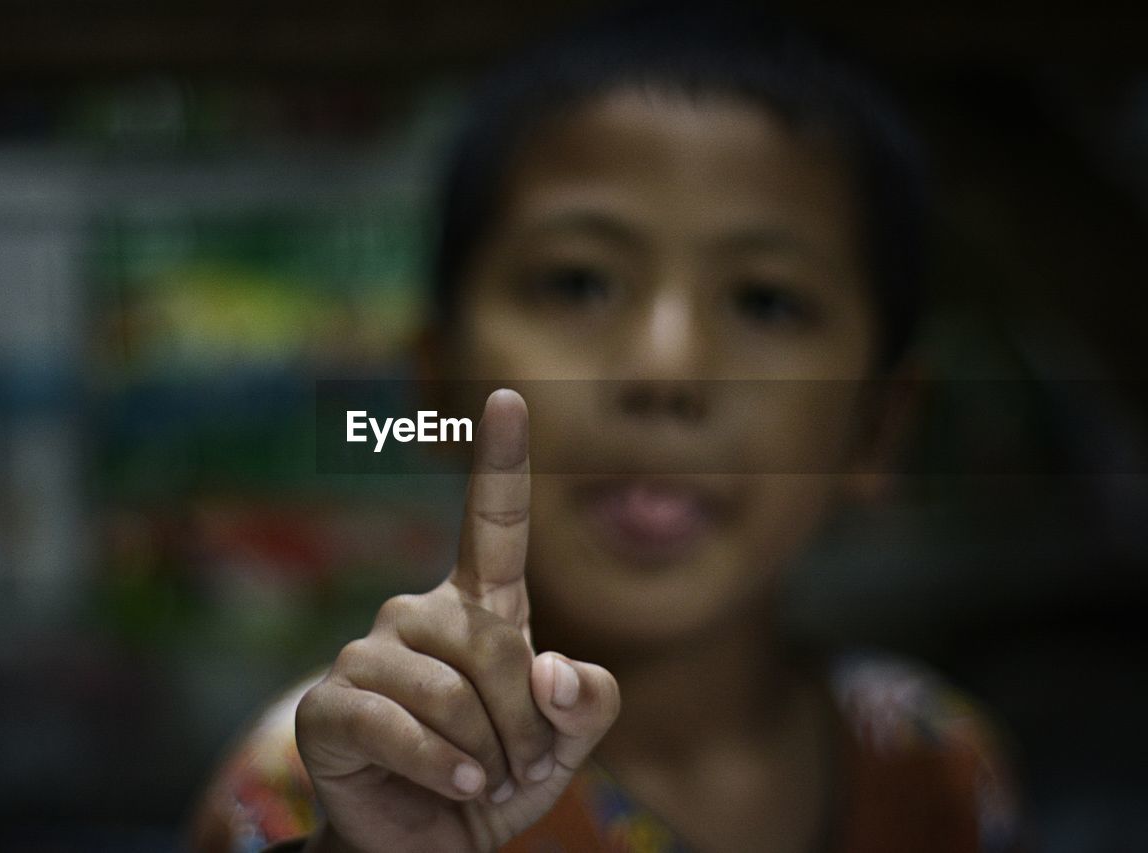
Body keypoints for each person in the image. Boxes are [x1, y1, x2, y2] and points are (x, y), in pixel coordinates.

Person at [191, 5, 1023, 851]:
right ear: (436, 389)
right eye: (578, 284)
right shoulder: (334, 781)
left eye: (767, 300)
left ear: (876, 426)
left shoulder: (930, 758)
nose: (666, 368)